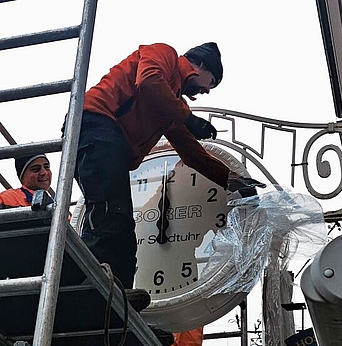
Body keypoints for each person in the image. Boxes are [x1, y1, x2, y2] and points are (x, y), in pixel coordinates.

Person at [72, 41, 261, 305]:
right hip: (96, 124)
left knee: (124, 229)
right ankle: (73, 285)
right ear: (201, 65)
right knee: (110, 216)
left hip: (108, 142)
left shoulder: (170, 102)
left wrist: (230, 180)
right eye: (212, 82)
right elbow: (147, 82)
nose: (207, 90)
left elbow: (190, 151)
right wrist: (188, 118)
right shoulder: (164, 55)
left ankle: (119, 305)